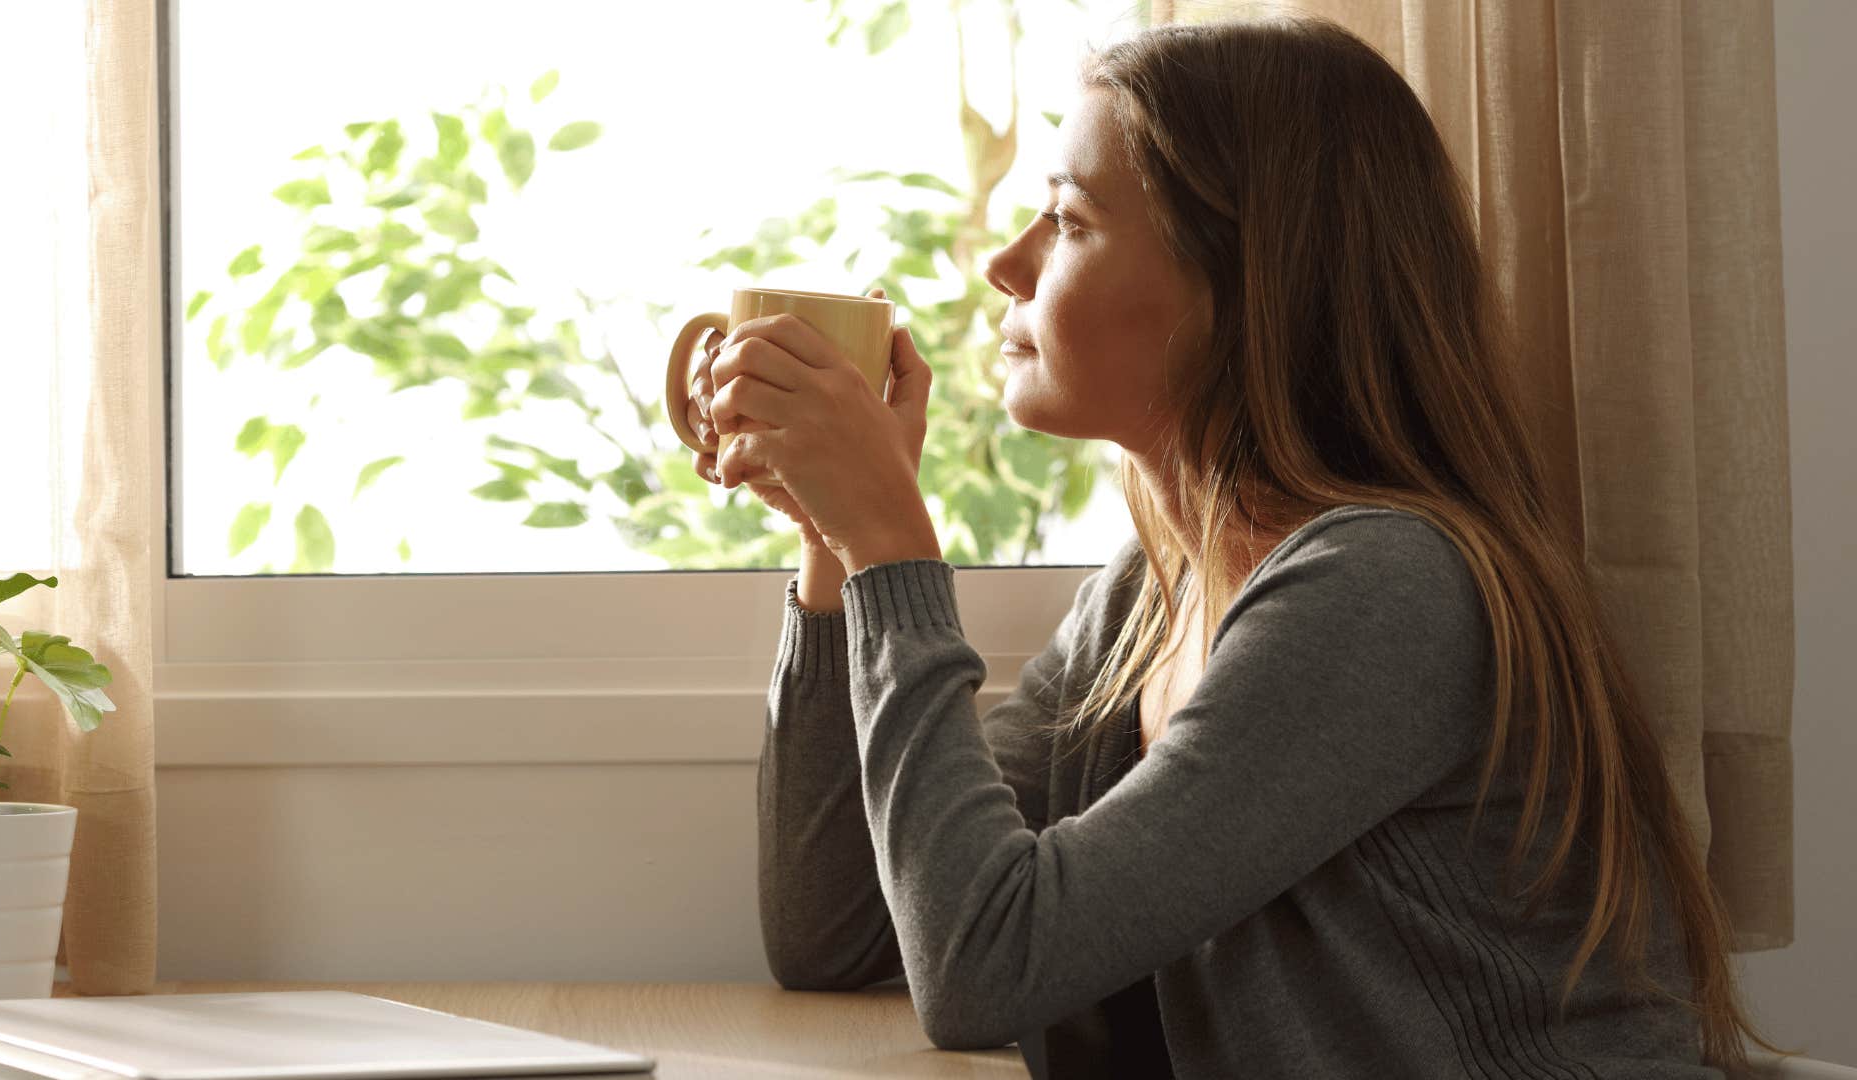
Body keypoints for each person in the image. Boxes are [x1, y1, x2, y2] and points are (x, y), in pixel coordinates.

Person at [684, 13, 1789, 1079]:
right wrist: (836, 548)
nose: (1006, 267)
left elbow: (985, 964)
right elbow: (834, 931)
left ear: (1240, 284)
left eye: (1067, 222)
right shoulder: (1148, 599)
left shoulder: (1386, 589)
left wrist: (892, 544)